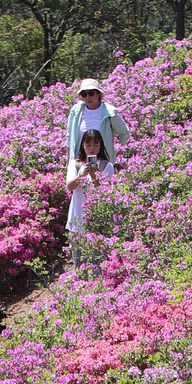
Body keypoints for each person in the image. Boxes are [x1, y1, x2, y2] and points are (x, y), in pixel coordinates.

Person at [65, 127, 115, 268]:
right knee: (79, 264)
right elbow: (70, 186)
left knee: (99, 263)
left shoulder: (107, 166)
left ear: (101, 146)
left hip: (97, 221)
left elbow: (103, 191)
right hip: (77, 220)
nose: (92, 148)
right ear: (83, 145)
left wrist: (93, 174)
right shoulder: (75, 164)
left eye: (95, 144)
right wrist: (81, 175)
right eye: (88, 145)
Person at [66, 80, 129, 165]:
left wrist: (118, 154)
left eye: (91, 93)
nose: (88, 97)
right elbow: (69, 137)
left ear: (98, 94)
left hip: (102, 163)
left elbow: (124, 133)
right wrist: (68, 163)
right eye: (84, 94)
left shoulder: (110, 112)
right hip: (79, 162)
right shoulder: (76, 111)